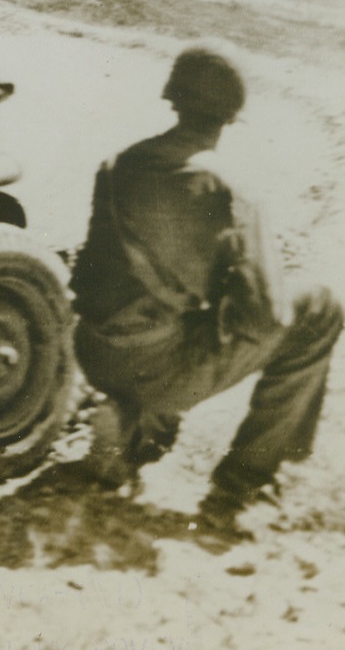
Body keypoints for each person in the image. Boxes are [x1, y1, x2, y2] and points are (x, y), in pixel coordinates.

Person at [70, 47, 342, 534]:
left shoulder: (117, 166)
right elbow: (266, 318)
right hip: (160, 367)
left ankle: (134, 428)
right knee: (321, 308)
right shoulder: (226, 189)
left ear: (174, 99)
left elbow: (89, 271)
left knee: (172, 316)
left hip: (94, 350)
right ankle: (242, 485)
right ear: (230, 117)